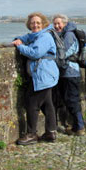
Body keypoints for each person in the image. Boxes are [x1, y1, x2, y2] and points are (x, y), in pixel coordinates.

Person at [12, 12, 59, 145]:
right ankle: (51, 132)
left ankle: (32, 134)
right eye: (32, 22)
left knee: (32, 103)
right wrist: (19, 39)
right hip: (46, 75)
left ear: (43, 24)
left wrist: (20, 46)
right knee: (47, 104)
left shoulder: (44, 37)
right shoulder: (36, 35)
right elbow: (27, 37)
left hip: (43, 75)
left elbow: (35, 53)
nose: (35, 25)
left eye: (38, 23)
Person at [52, 14, 85, 136]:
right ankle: (76, 126)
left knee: (72, 100)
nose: (56, 26)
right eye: (55, 24)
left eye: (59, 23)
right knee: (70, 99)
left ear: (65, 24)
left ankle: (79, 127)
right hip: (68, 72)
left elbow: (63, 54)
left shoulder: (68, 35)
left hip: (70, 73)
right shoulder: (65, 34)